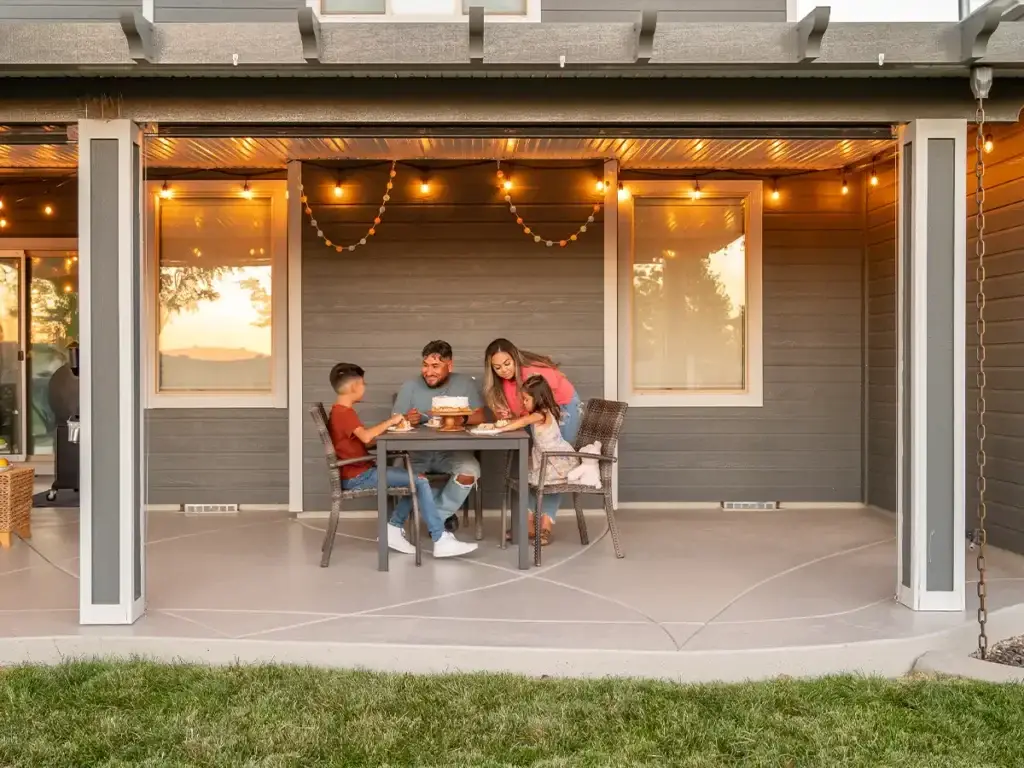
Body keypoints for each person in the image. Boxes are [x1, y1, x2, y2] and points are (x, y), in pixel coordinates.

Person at [328, 362, 478, 558]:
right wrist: (390, 421)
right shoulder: (344, 413)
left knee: (416, 479)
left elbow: (363, 442)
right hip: (358, 476)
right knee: (420, 480)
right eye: (363, 384)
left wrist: (383, 433)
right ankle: (439, 539)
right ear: (354, 387)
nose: (364, 388)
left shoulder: (339, 411)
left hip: (359, 472)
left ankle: (394, 529)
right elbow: (365, 437)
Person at [483, 338, 583, 543]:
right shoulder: (502, 385)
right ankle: (527, 521)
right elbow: (517, 410)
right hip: (536, 415)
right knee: (532, 464)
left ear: (515, 359)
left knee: (554, 465)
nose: (503, 370)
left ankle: (545, 523)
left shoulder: (534, 374)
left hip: (563, 408)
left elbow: (546, 398)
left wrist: (510, 421)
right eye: (497, 367)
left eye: (507, 364)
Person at [393, 340, 485, 531]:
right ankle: (441, 519)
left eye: (435, 366)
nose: (429, 372)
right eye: (425, 365)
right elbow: (394, 420)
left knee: (470, 471)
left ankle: (437, 516)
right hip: (416, 454)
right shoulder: (410, 386)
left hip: (452, 453)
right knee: (403, 476)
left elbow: (480, 415)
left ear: (449, 365)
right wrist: (408, 419)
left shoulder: (465, 383)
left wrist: (460, 420)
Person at [496, 375, 581, 546]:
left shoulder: (541, 414)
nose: (523, 403)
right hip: (542, 458)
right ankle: (529, 524)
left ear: (538, 398)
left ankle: (542, 525)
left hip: (555, 460)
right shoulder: (540, 412)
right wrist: (508, 419)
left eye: (526, 400)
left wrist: (502, 427)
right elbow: (522, 420)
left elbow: (524, 421)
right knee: (529, 481)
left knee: (540, 485)